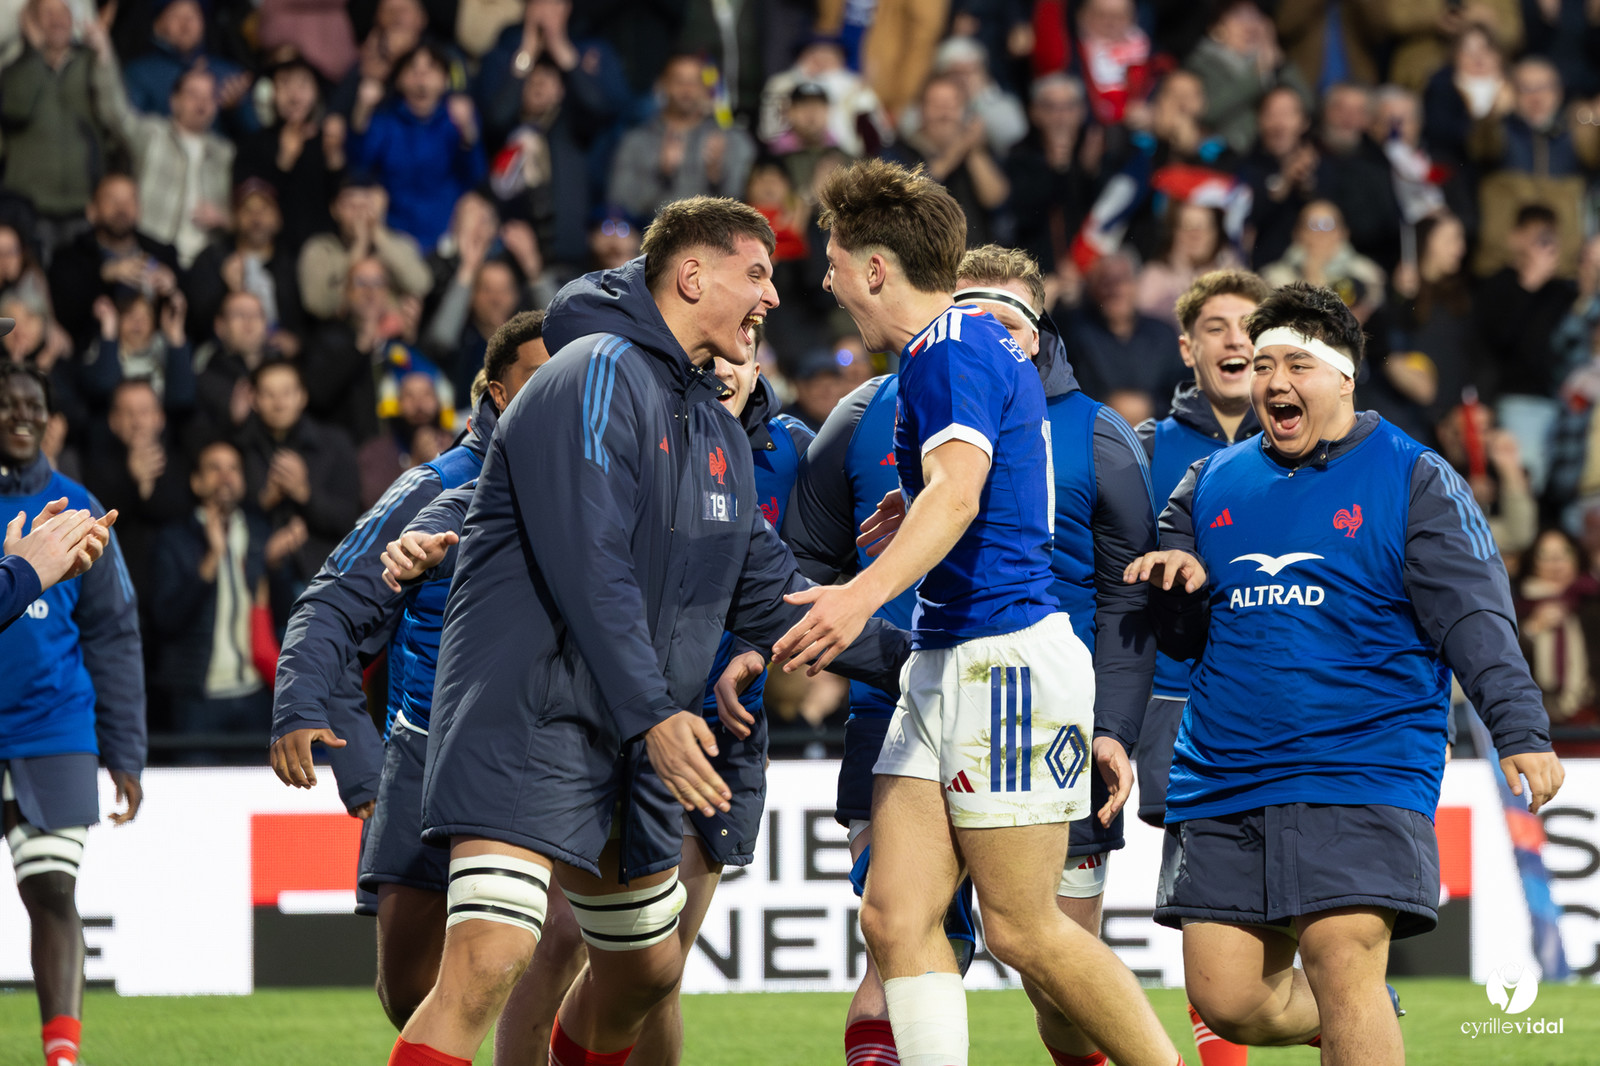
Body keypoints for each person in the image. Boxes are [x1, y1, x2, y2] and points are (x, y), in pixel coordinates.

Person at [384, 197, 908, 1066]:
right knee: (489, 958)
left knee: (645, 972)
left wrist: (925, 665)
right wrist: (655, 715)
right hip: (531, 717)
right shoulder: (593, 370)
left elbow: (774, 592)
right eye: (756, 274)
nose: (773, 298)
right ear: (691, 276)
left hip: (625, 738)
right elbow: (590, 564)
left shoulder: (713, 425)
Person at [773, 157, 1180, 1066]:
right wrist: (907, 513)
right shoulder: (955, 348)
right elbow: (967, 487)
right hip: (945, 652)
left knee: (1024, 929)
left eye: (835, 259)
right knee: (895, 915)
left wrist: (858, 594)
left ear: (876, 268)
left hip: (1002, 660)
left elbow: (959, 494)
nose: (827, 279)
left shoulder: (950, 347)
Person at [1124, 282, 1564, 1065]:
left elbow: (1473, 615)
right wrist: (1176, 594)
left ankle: (1358, 1009)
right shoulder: (1209, 483)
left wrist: (1520, 728)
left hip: (1362, 762)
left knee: (1341, 961)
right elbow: (1183, 643)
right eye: (1263, 365)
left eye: (1297, 363)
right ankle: (1363, 1016)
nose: (1274, 383)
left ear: (1344, 376)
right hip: (1225, 772)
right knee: (1227, 1003)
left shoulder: (1414, 475)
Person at [380, 351, 817, 1064]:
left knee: (653, 975)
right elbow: (529, 490)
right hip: (594, 721)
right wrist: (428, 530)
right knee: (539, 946)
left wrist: (809, 645)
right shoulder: (628, 420)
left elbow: (813, 576)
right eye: (721, 350)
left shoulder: (793, 451)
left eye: (753, 341)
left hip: (717, 742)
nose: (734, 363)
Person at [268, 311, 550, 1030]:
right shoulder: (435, 485)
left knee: (539, 972)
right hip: (425, 756)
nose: (556, 392)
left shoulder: (595, 483)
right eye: (537, 378)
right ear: (493, 393)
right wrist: (341, 743)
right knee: (407, 992)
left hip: (544, 757)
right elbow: (331, 607)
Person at [953, 244, 1160, 1066]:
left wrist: (1114, 725)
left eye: (1009, 320)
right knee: (903, 934)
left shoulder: (1095, 432)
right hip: (931, 708)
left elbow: (1131, 594)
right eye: (971, 317)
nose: (992, 337)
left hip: (1055, 724)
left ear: (1036, 333)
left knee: (1056, 982)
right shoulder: (892, 411)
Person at [1128, 267, 1269, 1066]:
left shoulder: (1300, 450)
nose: (1235, 339)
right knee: (1184, 889)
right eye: (1216, 326)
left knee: (1226, 896)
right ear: (1187, 346)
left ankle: (1335, 1011)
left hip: (1261, 697)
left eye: (1249, 325)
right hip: (1165, 698)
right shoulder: (1142, 447)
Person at [0, 361, 142, 1066]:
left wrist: (125, 750)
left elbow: (114, 631)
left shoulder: (79, 506)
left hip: (53, 729)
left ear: (51, 417)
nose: (21, 416)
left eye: (33, 405)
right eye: (7, 404)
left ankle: (62, 1055)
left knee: (52, 888)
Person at [147, 440, 279, 758]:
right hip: (197, 698)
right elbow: (164, 619)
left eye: (233, 468)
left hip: (255, 694)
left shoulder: (261, 535)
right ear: (196, 482)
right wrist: (211, 560)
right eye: (214, 468)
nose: (225, 476)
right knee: (201, 801)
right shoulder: (175, 539)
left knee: (258, 797)